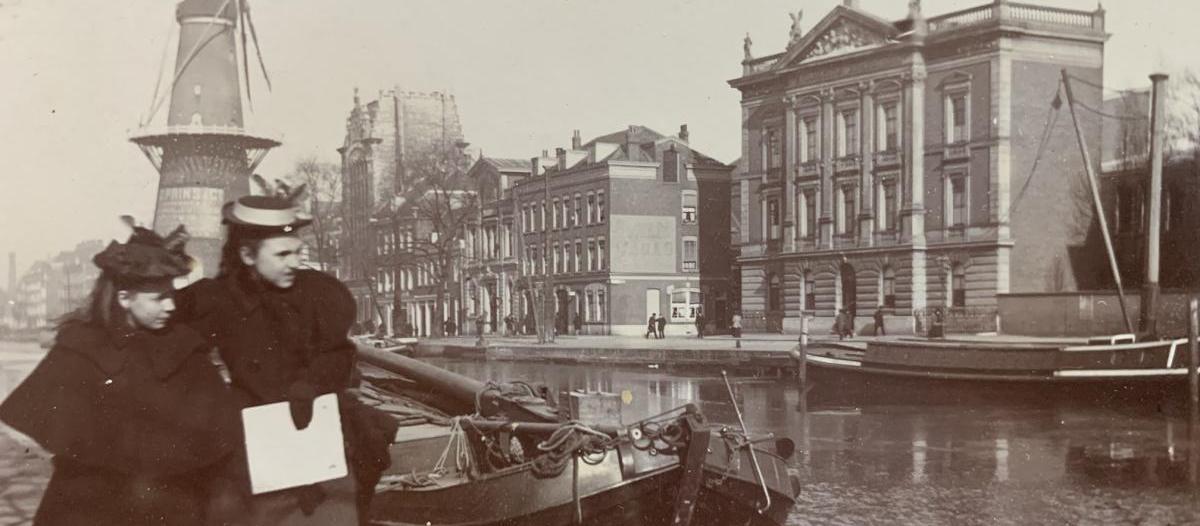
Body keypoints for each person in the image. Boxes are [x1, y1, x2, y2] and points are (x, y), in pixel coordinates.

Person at [175, 195, 396, 525]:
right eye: (281, 255)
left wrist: (312, 383)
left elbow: (337, 354)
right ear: (247, 254)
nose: (293, 263)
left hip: (315, 427)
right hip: (253, 435)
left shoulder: (317, 295)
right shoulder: (217, 300)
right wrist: (219, 401)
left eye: (297, 252)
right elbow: (182, 352)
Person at [0, 222, 239, 526]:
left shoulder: (184, 348)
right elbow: (50, 422)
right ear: (124, 298)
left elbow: (217, 430)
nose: (170, 306)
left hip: (169, 507)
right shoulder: (81, 347)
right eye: (157, 298)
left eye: (171, 295)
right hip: (90, 508)